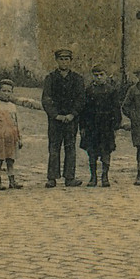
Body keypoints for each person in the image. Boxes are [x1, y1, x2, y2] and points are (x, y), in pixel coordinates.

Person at [41, 47, 85, 187]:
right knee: (54, 148)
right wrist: (56, 115)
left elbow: (81, 99)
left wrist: (73, 114)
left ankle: (69, 177)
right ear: (56, 61)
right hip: (56, 120)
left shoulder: (77, 79)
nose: (64, 62)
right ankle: (52, 177)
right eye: (61, 59)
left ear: (71, 61)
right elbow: (46, 99)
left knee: (70, 148)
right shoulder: (51, 78)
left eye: (67, 59)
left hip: (71, 120)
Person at [79, 65, 124, 188]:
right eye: (96, 75)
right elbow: (83, 110)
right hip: (91, 126)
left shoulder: (111, 90)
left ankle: (105, 176)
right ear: (92, 76)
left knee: (106, 151)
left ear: (106, 75)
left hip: (106, 126)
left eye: (101, 75)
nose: (99, 77)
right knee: (91, 152)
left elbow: (116, 109)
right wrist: (82, 126)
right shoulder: (88, 91)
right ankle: (93, 177)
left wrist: (116, 126)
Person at [0, 78, 25, 190]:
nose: (6, 93)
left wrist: (19, 137)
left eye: (9, 91)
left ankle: (12, 181)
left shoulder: (13, 106)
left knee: (11, 159)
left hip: (11, 137)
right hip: (0, 137)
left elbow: (17, 122)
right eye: (3, 91)